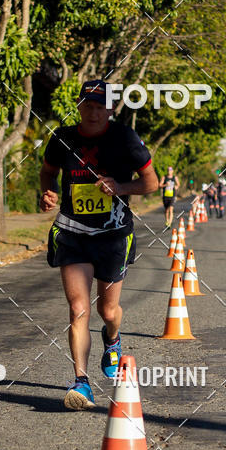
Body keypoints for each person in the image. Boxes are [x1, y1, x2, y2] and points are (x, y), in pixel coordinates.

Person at [39, 79, 159, 410]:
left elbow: (151, 182)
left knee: (107, 311)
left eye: (100, 107)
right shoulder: (63, 137)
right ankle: (81, 382)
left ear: (111, 109)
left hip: (113, 233)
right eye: (87, 106)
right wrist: (47, 192)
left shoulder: (124, 137)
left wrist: (120, 186)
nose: (93, 113)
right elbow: (47, 172)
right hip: (72, 231)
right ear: (79, 106)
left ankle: (113, 338)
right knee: (78, 309)